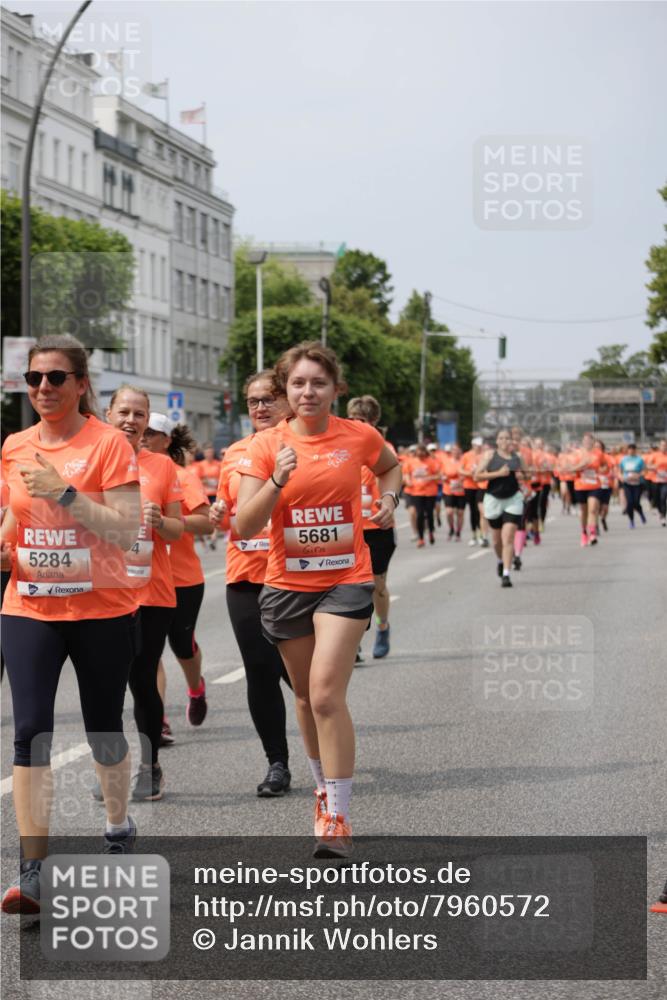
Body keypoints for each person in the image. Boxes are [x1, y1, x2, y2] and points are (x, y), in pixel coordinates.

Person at [235, 341, 402, 858]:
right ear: (286, 389)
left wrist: (389, 498)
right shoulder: (264, 446)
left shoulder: (358, 436)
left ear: (336, 388)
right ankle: (320, 791)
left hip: (346, 579)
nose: (308, 392)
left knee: (327, 694)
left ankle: (338, 815)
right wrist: (278, 479)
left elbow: (390, 467)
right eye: (299, 383)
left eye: (319, 383)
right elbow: (244, 524)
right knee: (304, 698)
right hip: (286, 586)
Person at [1, 335, 142, 914]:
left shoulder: (107, 445)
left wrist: (63, 492)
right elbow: (13, 513)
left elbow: (125, 529)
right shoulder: (14, 445)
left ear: (81, 385)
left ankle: (117, 825)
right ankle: (32, 868)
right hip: (30, 604)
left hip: (102, 609)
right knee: (29, 728)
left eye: (56, 378)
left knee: (104, 727)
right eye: (34, 378)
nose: (43, 389)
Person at [211, 370, 294, 797]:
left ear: (288, 401)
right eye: (253, 401)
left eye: (269, 399)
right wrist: (217, 511)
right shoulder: (235, 453)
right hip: (246, 577)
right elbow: (229, 509)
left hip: (298, 580)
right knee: (260, 672)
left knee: (308, 681)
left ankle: (328, 755)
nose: (260, 408)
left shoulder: (304, 446)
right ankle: (277, 763)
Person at [105, 386, 184, 801]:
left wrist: (157, 520)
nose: (131, 420)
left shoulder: (162, 467)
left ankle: (150, 766)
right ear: (108, 413)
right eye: (123, 412)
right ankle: (111, 765)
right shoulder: (91, 460)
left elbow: (177, 528)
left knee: (141, 680)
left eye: (139, 414)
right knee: (105, 684)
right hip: (101, 591)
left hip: (151, 593)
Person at [141, 414, 211, 740]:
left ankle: (196, 688)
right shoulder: (128, 474)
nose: (143, 436)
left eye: (151, 433)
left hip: (183, 577)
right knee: (149, 650)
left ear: (166, 440)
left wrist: (169, 517)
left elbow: (205, 523)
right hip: (146, 576)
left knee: (182, 646)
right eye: (141, 431)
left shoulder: (183, 476)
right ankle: (159, 720)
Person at [346, 395, 398, 659]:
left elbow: (393, 477)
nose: (356, 424)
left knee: (376, 584)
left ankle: (383, 626)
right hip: (348, 528)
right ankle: (352, 641)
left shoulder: (381, 447)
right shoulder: (341, 447)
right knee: (350, 587)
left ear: (374, 422)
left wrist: (389, 502)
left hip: (377, 527)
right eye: (352, 419)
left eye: (362, 420)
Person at [474, 429, 528, 588]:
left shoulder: (517, 457)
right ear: (497, 441)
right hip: (493, 499)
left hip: (513, 499)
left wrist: (522, 475)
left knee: (508, 538)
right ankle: (500, 561)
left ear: (512, 441)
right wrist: (498, 473)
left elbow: (528, 475)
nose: (504, 441)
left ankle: (506, 573)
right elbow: (477, 476)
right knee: (496, 541)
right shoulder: (490, 456)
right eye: (501, 438)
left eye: (507, 438)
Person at [403, 443, 440, 547]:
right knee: (419, 514)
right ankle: (421, 538)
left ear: (425, 452)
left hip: (430, 492)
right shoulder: (410, 462)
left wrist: (430, 478)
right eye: (418, 453)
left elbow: (438, 475)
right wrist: (408, 481)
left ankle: (431, 532)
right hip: (416, 492)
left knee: (429, 513)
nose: (420, 455)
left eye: (422, 453)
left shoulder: (431, 462)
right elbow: (406, 474)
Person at [195, 443, 221, 550]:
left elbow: (222, 478)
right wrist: (209, 481)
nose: (209, 454)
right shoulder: (200, 465)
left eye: (211, 452)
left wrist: (214, 481)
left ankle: (213, 538)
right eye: (207, 452)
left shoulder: (218, 464)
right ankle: (204, 539)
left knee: (216, 516)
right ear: (204, 453)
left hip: (215, 494)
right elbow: (199, 479)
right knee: (206, 517)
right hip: (204, 494)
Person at [440, 443, 466, 541]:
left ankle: (458, 531)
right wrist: (444, 478)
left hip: (461, 490)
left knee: (460, 513)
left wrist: (460, 482)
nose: (455, 452)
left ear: (460, 451)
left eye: (457, 450)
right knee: (449, 512)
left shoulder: (463, 461)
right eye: (453, 450)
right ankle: (451, 528)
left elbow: (467, 472)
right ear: (451, 451)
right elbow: (441, 474)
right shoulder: (446, 462)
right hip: (448, 490)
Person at [618, 443, 646, 528]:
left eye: (633, 449)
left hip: (637, 483)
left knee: (636, 502)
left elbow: (644, 471)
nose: (631, 451)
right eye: (629, 449)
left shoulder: (639, 459)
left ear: (635, 450)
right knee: (630, 502)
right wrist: (621, 477)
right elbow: (620, 471)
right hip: (627, 483)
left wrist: (638, 475)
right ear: (627, 450)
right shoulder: (624, 460)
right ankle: (631, 521)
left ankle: (641, 513)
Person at [646, 439, 667, 526]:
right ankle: (660, 511)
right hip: (655, 480)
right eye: (662, 445)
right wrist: (654, 467)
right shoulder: (655, 455)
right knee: (657, 499)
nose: (664, 447)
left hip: (665, 481)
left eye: (665, 445)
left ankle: (663, 516)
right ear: (660, 446)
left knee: (663, 497)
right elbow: (648, 465)